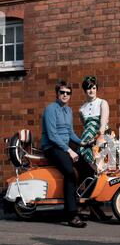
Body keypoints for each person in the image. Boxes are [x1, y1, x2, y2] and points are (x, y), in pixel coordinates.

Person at [41, 80, 87, 228]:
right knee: (69, 172)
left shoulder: (68, 111)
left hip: (64, 148)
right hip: (52, 148)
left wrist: (83, 143)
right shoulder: (50, 109)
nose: (65, 95)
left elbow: (70, 133)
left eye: (68, 93)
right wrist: (70, 150)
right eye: (62, 92)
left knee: (87, 168)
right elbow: (53, 135)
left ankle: (83, 204)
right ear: (57, 93)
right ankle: (71, 214)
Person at [79, 76, 109, 172]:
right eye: (88, 88)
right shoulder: (81, 109)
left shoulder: (102, 103)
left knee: (102, 163)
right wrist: (87, 141)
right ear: (84, 90)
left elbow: (103, 125)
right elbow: (86, 126)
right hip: (87, 141)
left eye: (94, 88)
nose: (91, 91)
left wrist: (98, 137)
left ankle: (100, 175)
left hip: (101, 137)